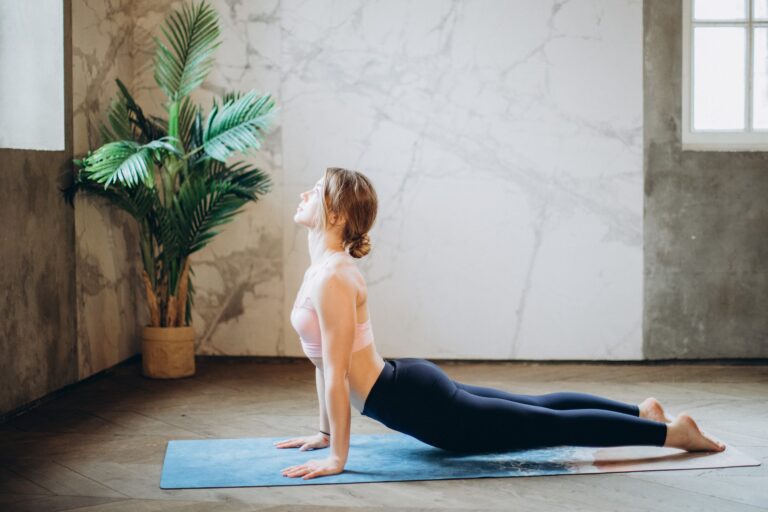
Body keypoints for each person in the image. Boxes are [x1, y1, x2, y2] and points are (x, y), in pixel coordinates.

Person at [274, 167, 726, 481]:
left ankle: (671, 433)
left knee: (550, 425)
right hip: (406, 386)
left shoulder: (333, 277)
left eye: (314, 189)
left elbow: (337, 374)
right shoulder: (323, 271)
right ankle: (640, 413)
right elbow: (323, 365)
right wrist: (325, 433)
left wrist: (338, 456)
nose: (303, 194)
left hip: (420, 404)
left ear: (335, 214)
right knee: (540, 407)